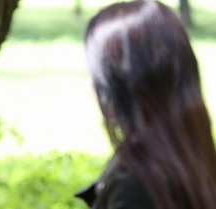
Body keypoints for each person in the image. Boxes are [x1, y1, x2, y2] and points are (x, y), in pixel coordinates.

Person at [75, 1, 216, 208]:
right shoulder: (194, 159)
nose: (90, 83)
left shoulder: (136, 185)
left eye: (97, 73)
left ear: (118, 86)